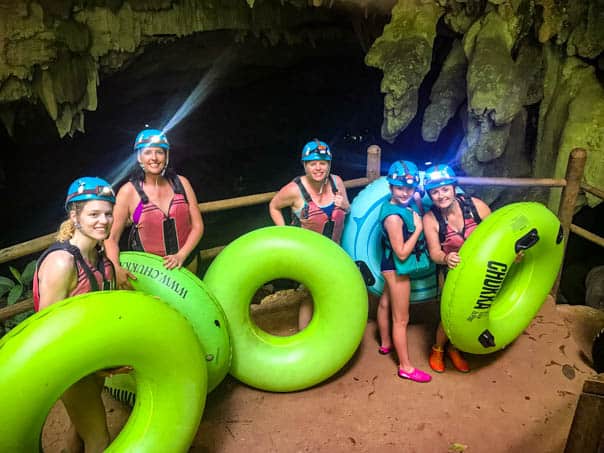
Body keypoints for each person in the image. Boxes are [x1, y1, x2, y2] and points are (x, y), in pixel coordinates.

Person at [33, 176, 117, 452]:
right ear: (75, 215)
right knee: (98, 438)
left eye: (108, 213)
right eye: (94, 214)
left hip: (92, 357)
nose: (103, 220)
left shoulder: (100, 257)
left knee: (78, 430)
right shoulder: (62, 262)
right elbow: (49, 332)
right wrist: (94, 363)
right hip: (70, 364)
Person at [105, 128, 204, 289]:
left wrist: (181, 255)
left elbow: (197, 226)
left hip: (187, 261)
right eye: (147, 152)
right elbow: (111, 238)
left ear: (166, 156)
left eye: (159, 152)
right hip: (150, 272)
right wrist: (115, 267)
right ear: (139, 157)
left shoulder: (182, 183)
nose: (154, 158)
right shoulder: (128, 192)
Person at [269, 139, 350, 329]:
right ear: (305, 165)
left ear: (329, 164)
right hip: (308, 254)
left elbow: (348, 208)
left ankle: (332, 332)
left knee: (333, 291)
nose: (318, 168)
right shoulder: (294, 190)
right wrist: (284, 230)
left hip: (334, 250)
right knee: (308, 294)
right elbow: (273, 206)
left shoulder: (337, 182)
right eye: (313, 164)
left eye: (323, 163)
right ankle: (305, 335)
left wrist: (344, 205)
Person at [422, 164, 491, 373]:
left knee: (475, 309)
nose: (441, 195)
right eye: (434, 192)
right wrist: (446, 257)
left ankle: (455, 349)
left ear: (453, 187)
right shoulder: (430, 219)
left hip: (481, 269)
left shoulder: (476, 206)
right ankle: (438, 349)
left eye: (444, 189)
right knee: (450, 314)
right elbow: (434, 252)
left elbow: (497, 233)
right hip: (451, 271)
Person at [377, 160, 431, 383]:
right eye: (400, 188)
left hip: (388, 264)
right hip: (396, 266)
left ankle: (385, 343)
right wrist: (418, 229)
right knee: (401, 319)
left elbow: (411, 199)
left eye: (409, 188)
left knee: (385, 303)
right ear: (391, 187)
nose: (405, 192)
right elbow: (401, 253)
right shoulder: (393, 218)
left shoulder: (397, 204)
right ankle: (405, 367)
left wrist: (415, 199)